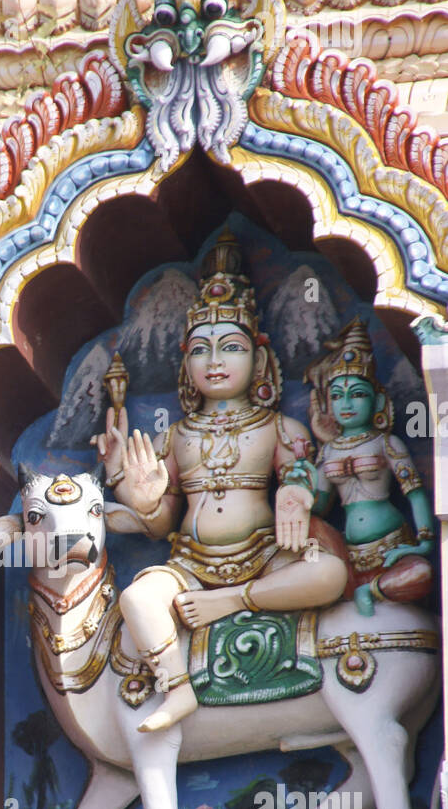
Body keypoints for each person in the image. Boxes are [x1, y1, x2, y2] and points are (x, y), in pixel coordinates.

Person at [94, 230, 348, 733]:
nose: (214, 362)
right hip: (190, 561)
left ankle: (231, 603)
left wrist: (298, 494)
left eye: (230, 348)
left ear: (258, 358)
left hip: (262, 556)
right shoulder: (176, 436)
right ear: (185, 363)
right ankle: (177, 688)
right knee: (137, 600)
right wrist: (142, 499)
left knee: (329, 575)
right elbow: (165, 515)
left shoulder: (278, 426)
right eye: (201, 351)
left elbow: (308, 478)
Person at [305, 317, 434, 616]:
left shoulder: (386, 444)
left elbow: (414, 494)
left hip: (392, 550)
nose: (346, 403)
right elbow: (318, 509)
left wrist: (423, 543)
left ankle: (373, 591)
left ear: (377, 402)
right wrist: (303, 469)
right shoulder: (329, 451)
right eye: (337, 396)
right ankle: (357, 588)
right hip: (350, 556)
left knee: (422, 574)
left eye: (357, 394)